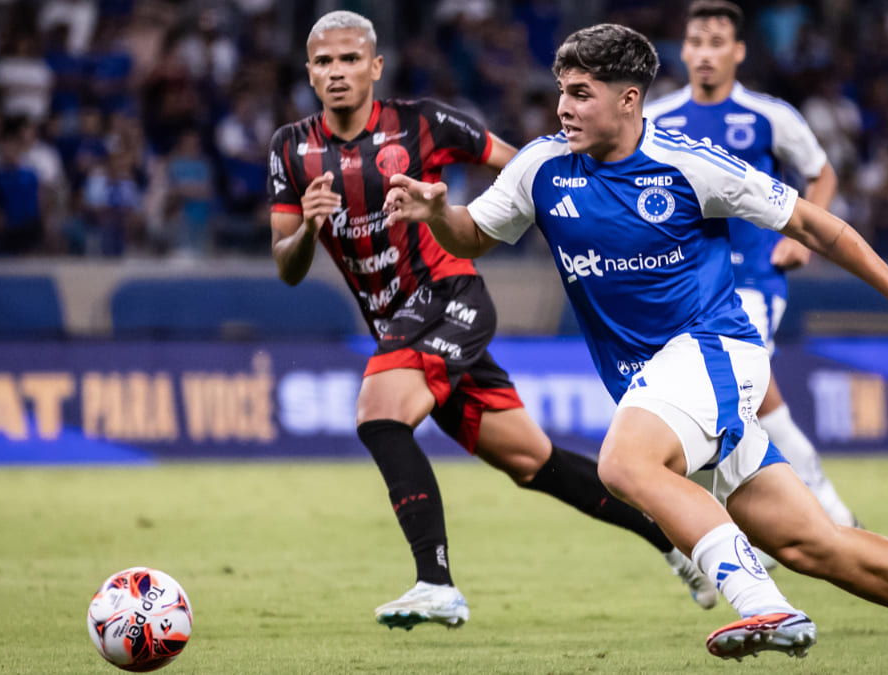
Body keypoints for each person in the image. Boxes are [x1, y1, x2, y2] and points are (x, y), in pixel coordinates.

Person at [384, 23, 888, 672]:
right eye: (562, 90)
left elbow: (814, 223)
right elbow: (473, 235)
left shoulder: (689, 164)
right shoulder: (542, 166)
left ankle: (766, 604)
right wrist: (436, 210)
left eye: (582, 92)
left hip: (716, 349)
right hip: (663, 383)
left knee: (624, 463)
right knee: (813, 542)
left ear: (628, 98)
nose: (564, 106)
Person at [267, 11, 716, 632]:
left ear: (374, 67)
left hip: (448, 292)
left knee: (379, 412)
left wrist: (562, 220)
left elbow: (527, 166)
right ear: (310, 74)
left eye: (349, 60)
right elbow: (287, 265)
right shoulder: (291, 149)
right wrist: (309, 230)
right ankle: (675, 538)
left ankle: (436, 583)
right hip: (397, 323)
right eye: (324, 62)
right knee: (534, 462)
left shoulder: (423, 121)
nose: (337, 72)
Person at [644, 0, 857, 533]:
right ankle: (823, 513)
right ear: (684, 50)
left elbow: (821, 174)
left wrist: (802, 239)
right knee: (757, 404)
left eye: (717, 43)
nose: (705, 53)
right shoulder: (656, 119)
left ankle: (770, 531)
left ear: (738, 51)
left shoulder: (770, 116)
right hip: (686, 284)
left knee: (734, 401)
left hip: (754, 278)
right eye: (695, 42)